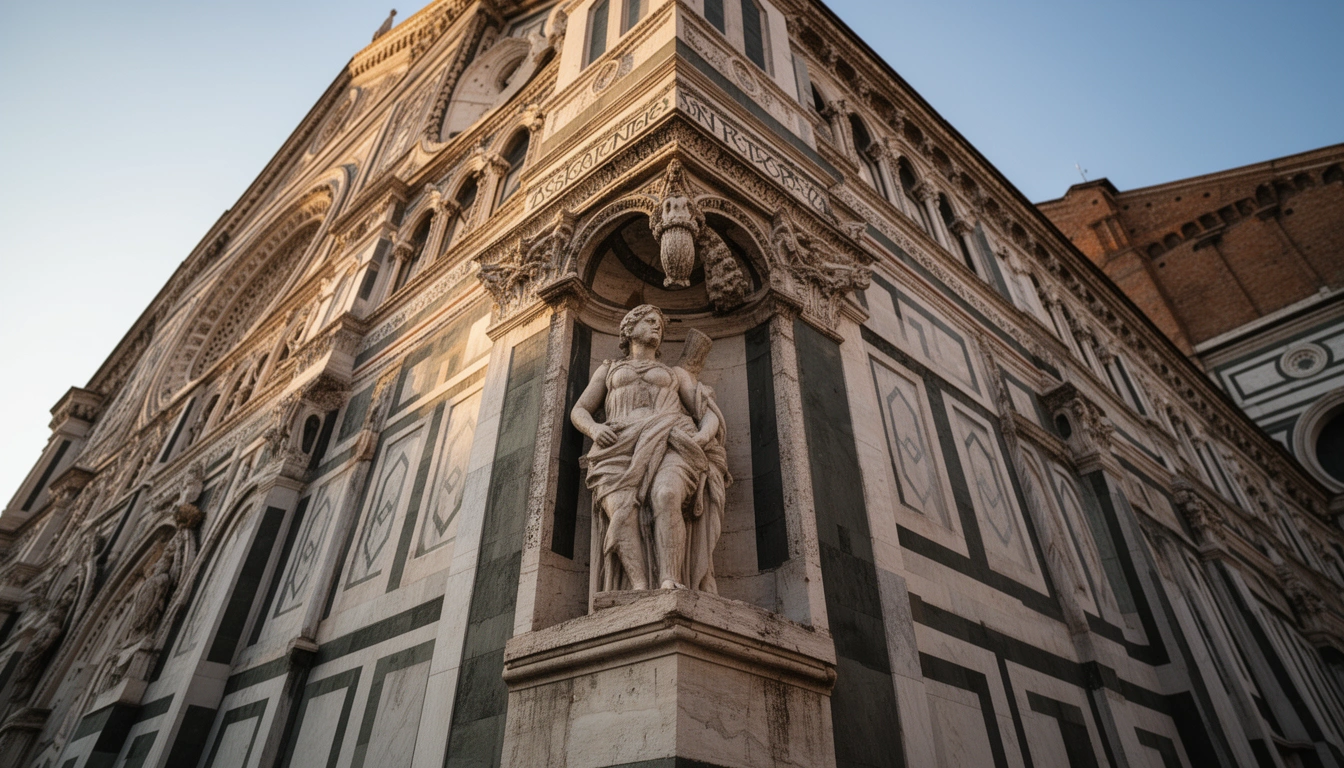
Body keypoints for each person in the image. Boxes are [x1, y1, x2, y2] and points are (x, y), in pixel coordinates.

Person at [571, 305, 730, 592]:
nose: (657, 327)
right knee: (620, 510)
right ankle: (640, 587)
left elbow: (707, 411)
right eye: (650, 321)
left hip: (671, 440)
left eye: (660, 324)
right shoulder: (609, 369)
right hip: (617, 446)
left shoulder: (675, 373)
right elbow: (580, 409)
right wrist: (595, 429)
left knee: (667, 494)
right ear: (629, 328)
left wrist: (703, 438)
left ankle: (670, 578)